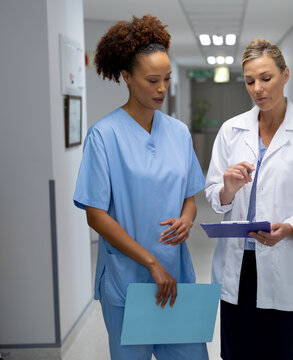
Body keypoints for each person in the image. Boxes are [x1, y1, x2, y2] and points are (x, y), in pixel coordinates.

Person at [73, 15, 208, 360]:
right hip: (127, 278)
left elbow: (188, 198)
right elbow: (95, 214)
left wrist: (187, 219)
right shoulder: (104, 136)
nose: (162, 89)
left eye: (167, 79)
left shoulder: (178, 133)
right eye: (152, 80)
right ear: (127, 77)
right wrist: (151, 263)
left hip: (175, 274)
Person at [205, 38, 293, 360]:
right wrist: (229, 187)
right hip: (239, 263)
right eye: (250, 81)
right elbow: (214, 196)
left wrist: (288, 228)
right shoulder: (231, 130)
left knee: (278, 352)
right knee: (235, 354)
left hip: (284, 260)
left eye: (266, 78)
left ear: (285, 75)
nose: (258, 88)